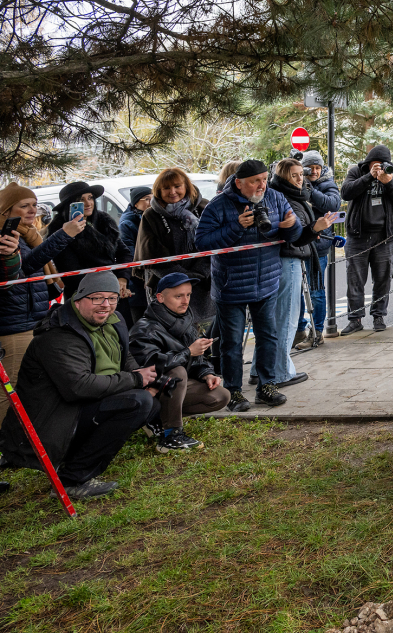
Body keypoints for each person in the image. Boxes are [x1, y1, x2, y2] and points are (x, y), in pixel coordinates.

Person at [0, 272, 159, 499]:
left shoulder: (114, 320)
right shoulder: (59, 335)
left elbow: (126, 360)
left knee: (150, 403)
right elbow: (79, 387)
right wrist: (135, 380)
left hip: (81, 406)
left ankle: (77, 458)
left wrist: (145, 377)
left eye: (112, 298)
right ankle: (72, 479)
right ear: (77, 300)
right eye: (97, 298)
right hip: (51, 420)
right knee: (138, 403)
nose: (106, 305)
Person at [195, 159, 301, 412]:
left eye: (264, 179)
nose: (262, 185)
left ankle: (267, 386)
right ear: (239, 182)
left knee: (268, 337)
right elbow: (202, 243)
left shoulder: (275, 198)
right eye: (256, 181)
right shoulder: (219, 205)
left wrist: (292, 227)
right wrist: (236, 226)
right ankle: (233, 392)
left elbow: (294, 236)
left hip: (266, 281)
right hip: (231, 285)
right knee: (231, 342)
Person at [255, 158, 337, 388]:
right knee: (286, 318)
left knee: (274, 319)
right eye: (294, 175)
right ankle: (280, 371)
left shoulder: (287, 195)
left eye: (302, 174)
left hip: (286, 258)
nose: (300, 179)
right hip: (287, 259)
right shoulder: (283, 197)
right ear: (282, 176)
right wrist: (315, 228)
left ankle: (259, 370)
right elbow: (294, 233)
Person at [129, 272, 231, 453]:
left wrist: (206, 373)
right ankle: (171, 435)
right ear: (159, 297)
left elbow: (197, 361)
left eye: (188, 295)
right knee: (177, 373)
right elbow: (154, 368)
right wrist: (188, 352)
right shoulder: (144, 328)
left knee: (221, 396)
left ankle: (157, 419)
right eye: (178, 296)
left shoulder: (185, 320)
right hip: (148, 391)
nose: (185, 301)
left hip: (171, 388)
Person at [0, 184, 86, 396]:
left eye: (35, 205)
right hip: (13, 324)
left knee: (28, 387)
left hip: (33, 320)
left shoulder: (28, 234)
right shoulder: (5, 238)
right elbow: (24, 269)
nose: (32, 210)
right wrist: (63, 235)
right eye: (24, 205)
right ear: (6, 210)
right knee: (9, 391)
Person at [340, 145, 393, 334]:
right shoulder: (356, 172)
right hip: (358, 236)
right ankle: (355, 319)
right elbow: (345, 192)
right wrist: (369, 177)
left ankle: (379, 316)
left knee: (382, 279)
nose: (379, 167)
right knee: (355, 280)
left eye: (382, 164)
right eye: (374, 164)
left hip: (384, 236)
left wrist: (389, 182)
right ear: (368, 162)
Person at [134, 168, 215, 324]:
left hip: (204, 284)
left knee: (205, 339)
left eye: (177, 186)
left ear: (186, 186)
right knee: (173, 337)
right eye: (166, 188)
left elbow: (214, 243)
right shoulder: (151, 215)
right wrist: (182, 278)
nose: (172, 191)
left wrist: (200, 274)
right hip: (169, 285)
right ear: (158, 191)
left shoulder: (204, 207)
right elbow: (152, 256)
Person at [47, 181, 135, 323]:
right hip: (85, 298)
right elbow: (70, 272)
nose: (88, 203)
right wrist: (109, 287)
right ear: (70, 204)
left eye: (90, 197)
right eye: (81, 200)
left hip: (114, 293)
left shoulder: (104, 221)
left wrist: (122, 280)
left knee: (121, 337)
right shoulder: (60, 229)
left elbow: (124, 253)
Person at [295, 150, 341, 349]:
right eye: (309, 168)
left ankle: (318, 332)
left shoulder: (328, 184)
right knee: (296, 291)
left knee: (315, 290)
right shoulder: (295, 182)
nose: (314, 171)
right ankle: (299, 330)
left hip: (318, 246)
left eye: (317, 168)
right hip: (297, 244)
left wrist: (309, 191)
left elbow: (333, 204)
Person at [119, 186, 152, 323]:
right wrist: (143, 276)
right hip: (137, 281)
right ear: (136, 203)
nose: (151, 202)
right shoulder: (128, 222)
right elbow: (130, 254)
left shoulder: (150, 216)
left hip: (149, 277)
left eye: (153, 199)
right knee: (140, 321)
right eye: (147, 199)